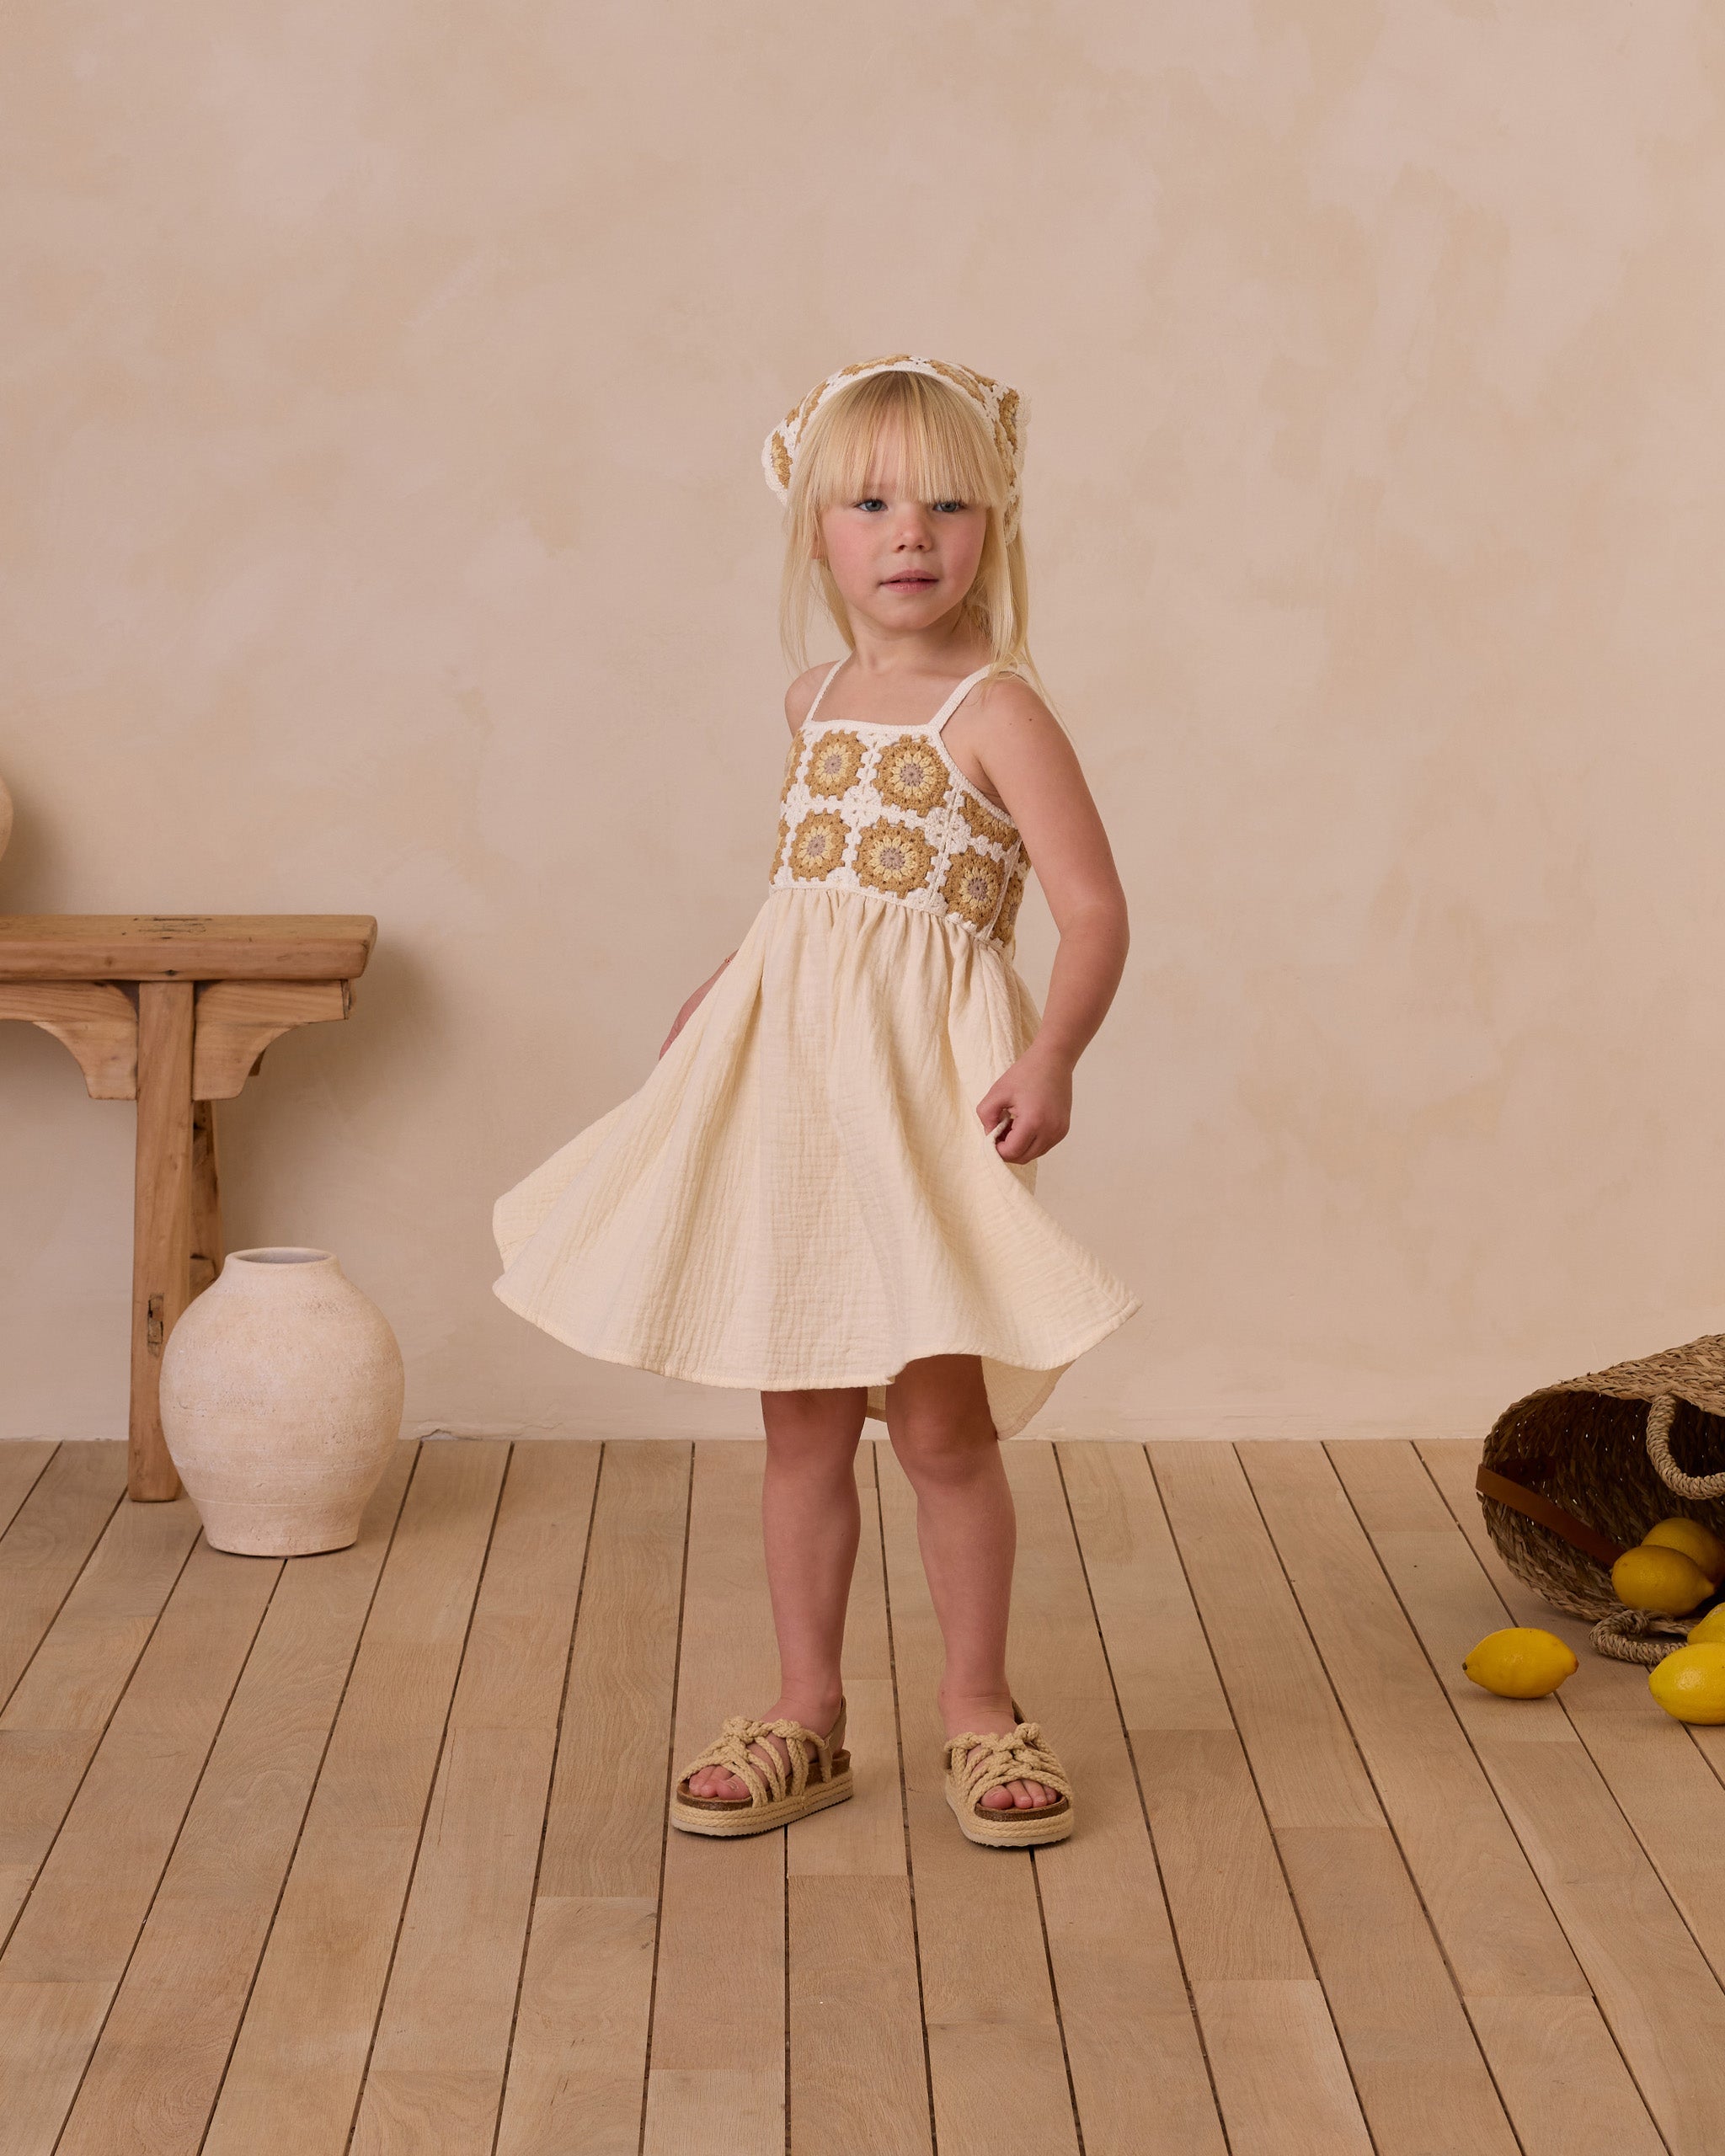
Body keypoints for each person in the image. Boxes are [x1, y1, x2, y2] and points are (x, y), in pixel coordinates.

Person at [493, 355, 1138, 1849]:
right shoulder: (813, 701)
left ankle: (977, 1707)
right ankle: (808, 1710)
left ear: (994, 527)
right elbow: (813, 896)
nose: (910, 532)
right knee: (799, 1425)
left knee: (940, 1426)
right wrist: (730, 983)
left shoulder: (998, 710)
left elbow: (1094, 911)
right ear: (813, 535)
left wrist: (1053, 1057)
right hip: (794, 1096)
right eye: (870, 505)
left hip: (923, 1111)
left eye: (948, 505)